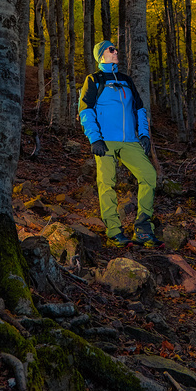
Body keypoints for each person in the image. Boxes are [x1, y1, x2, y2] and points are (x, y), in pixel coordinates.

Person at [78, 40, 160, 247]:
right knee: (106, 183)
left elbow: (140, 109)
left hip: (130, 141)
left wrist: (144, 135)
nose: (116, 52)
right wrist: (94, 138)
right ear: (101, 55)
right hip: (104, 141)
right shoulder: (94, 79)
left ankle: (143, 229)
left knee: (149, 175)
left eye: (116, 48)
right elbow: (85, 111)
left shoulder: (126, 80)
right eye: (111, 49)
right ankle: (114, 231)